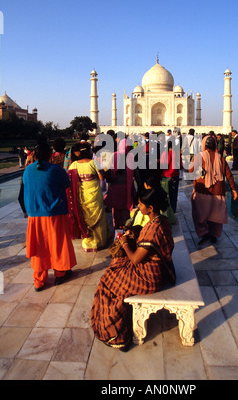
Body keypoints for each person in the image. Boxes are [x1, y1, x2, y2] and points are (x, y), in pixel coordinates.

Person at [90, 186, 176, 351]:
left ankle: (116, 335)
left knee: (107, 283)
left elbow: (136, 259)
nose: (138, 207)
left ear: (150, 208)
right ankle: (119, 321)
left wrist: (124, 243)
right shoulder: (160, 220)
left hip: (149, 277)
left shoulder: (154, 229)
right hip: (154, 269)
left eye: (140, 205)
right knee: (114, 268)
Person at [22, 142, 77, 291]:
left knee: (39, 246)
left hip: (34, 215)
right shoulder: (55, 169)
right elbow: (66, 183)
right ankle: (60, 273)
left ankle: (39, 280)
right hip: (54, 213)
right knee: (57, 243)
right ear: (50, 155)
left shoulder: (28, 170)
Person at [190, 136, 238, 244]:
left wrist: (203, 172)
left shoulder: (199, 156)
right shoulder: (220, 157)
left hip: (203, 192)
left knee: (199, 214)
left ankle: (203, 233)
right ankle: (214, 235)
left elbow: (191, 169)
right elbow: (229, 174)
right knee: (216, 215)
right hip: (218, 191)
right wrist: (233, 189)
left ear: (204, 145)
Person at [67, 142, 110, 252]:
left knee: (85, 215)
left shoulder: (74, 165)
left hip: (82, 194)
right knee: (98, 215)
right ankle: (100, 240)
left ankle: (88, 241)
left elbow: (69, 181)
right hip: (94, 193)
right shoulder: (93, 162)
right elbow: (101, 177)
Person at [99, 138, 135, 229]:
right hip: (127, 187)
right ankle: (126, 230)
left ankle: (117, 231)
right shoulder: (131, 157)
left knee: (116, 211)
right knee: (126, 211)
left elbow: (106, 171)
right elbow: (137, 174)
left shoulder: (115, 156)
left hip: (115, 187)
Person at [160, 139, 182, 213]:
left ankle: (166, 210)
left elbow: (162, 166)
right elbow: (181, 166)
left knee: (165, 194)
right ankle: (173, 210)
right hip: (175, 176)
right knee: (174, 194)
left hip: (166, 176)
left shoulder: (164, 154)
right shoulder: (177, 154)